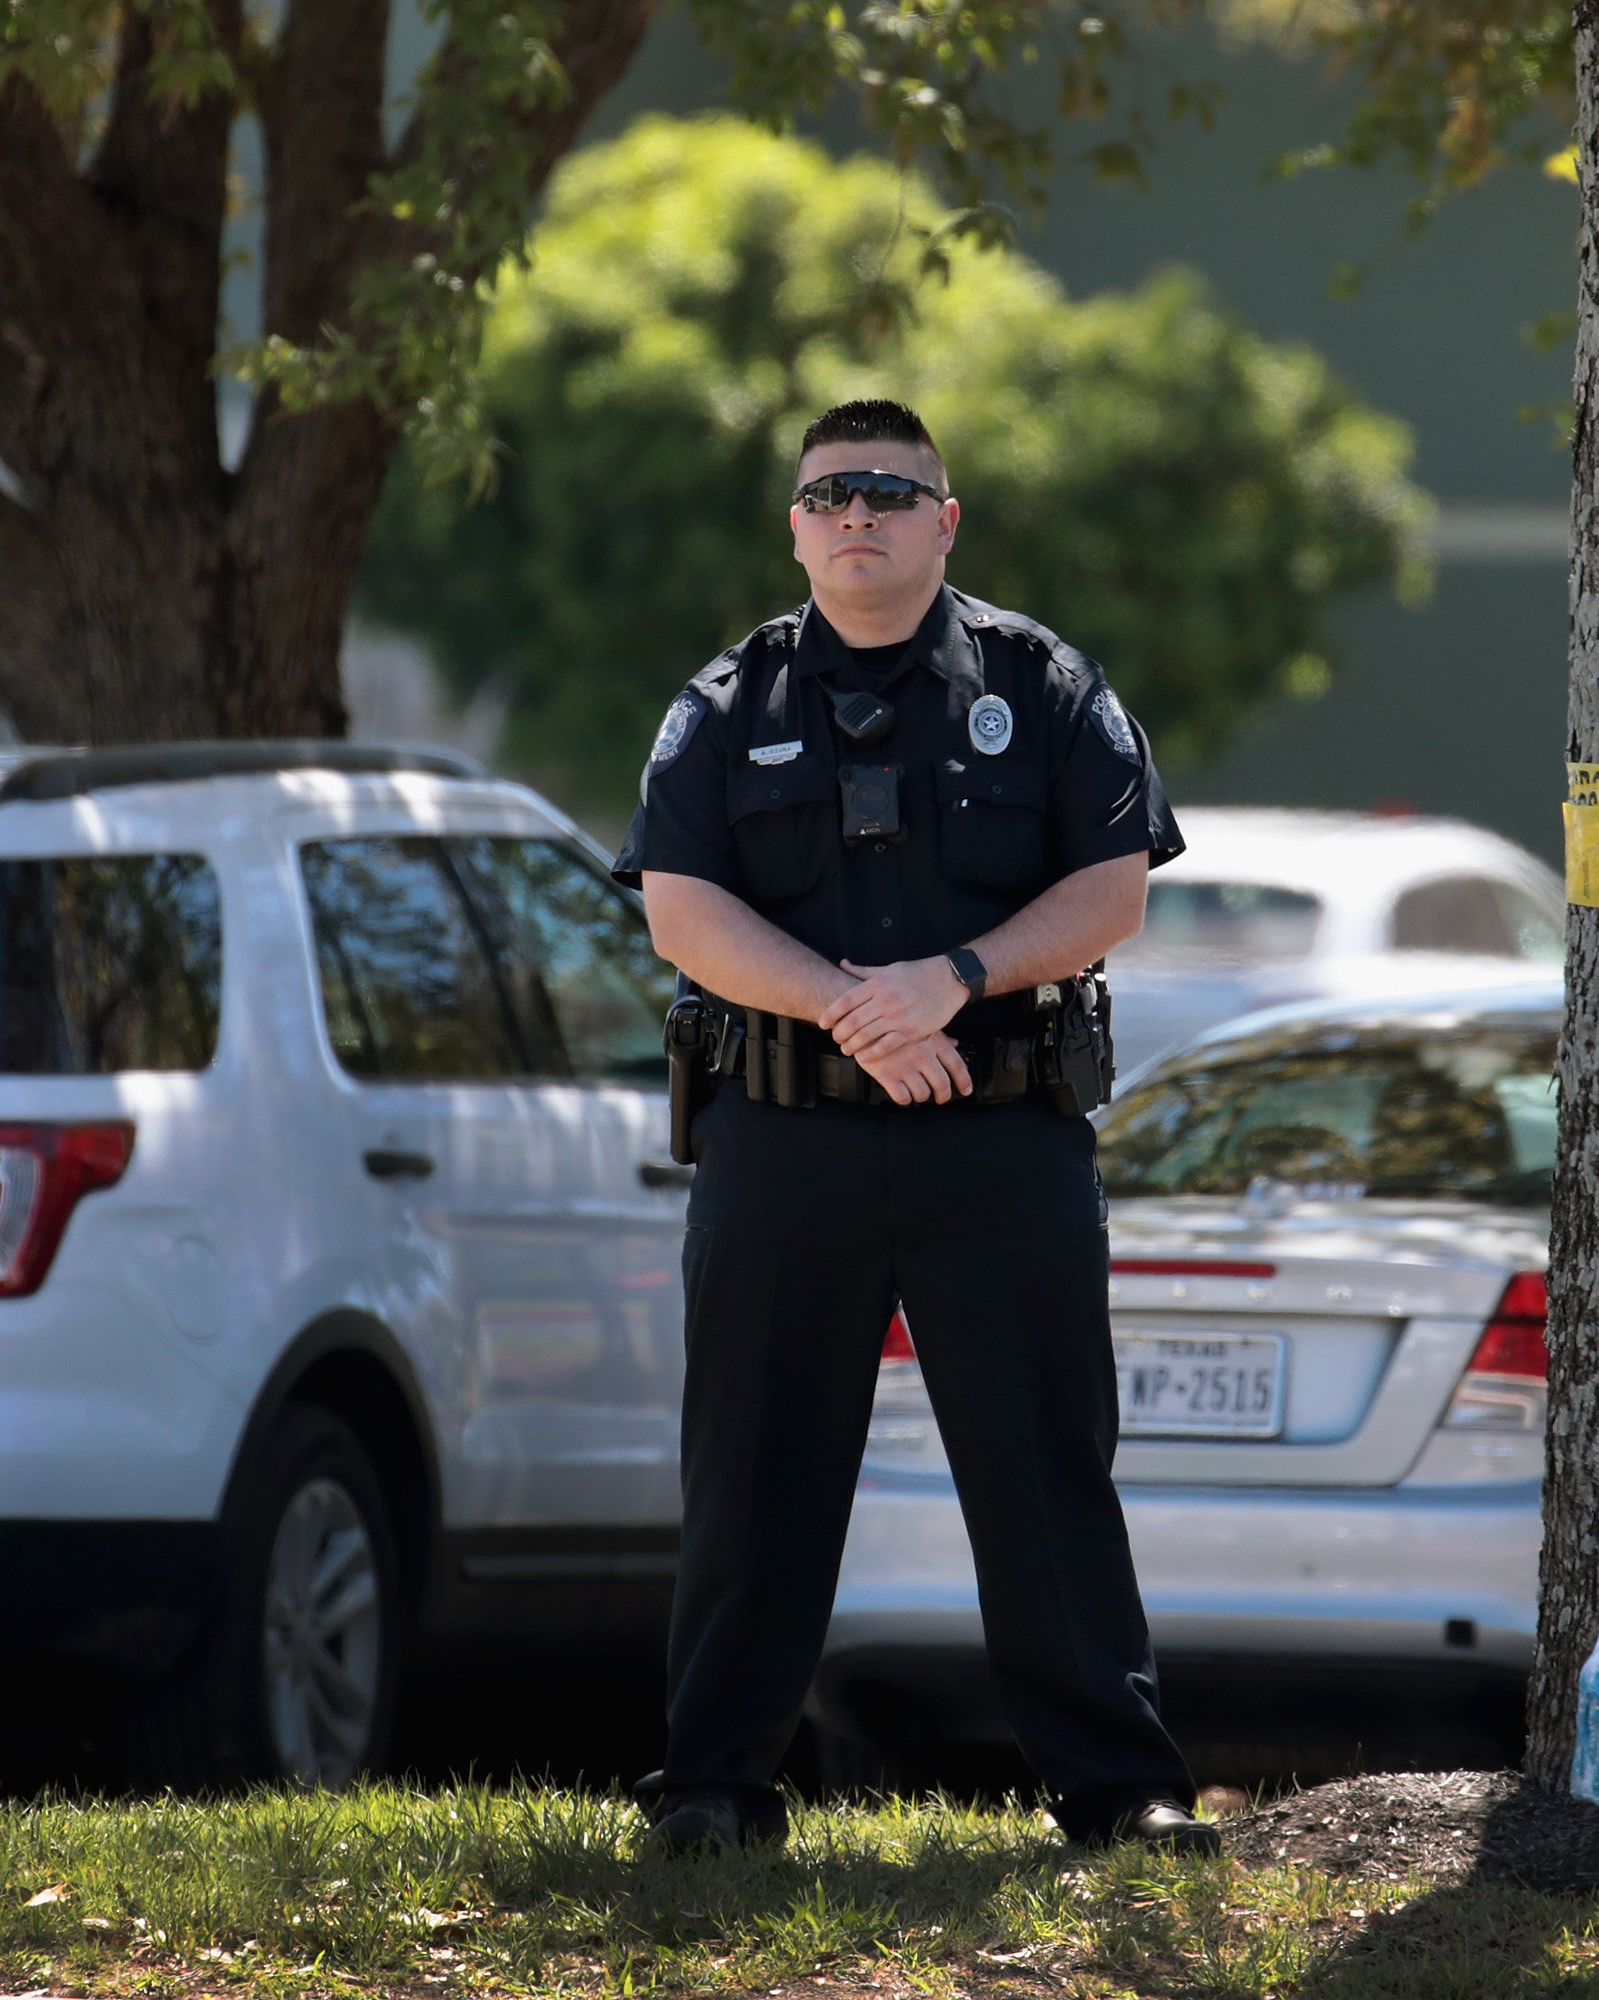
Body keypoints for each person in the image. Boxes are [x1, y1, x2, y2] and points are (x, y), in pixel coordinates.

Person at [614, 397, 1213, 1857]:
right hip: (784, 1138)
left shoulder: (1044, 681)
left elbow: (1113, 885)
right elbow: (679, 910)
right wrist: (849, 1010)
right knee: (753, 1466)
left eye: (890, 489)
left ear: (946, 520)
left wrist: (947, 982)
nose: (858, 514)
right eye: (830, 495)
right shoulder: (725, 701)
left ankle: (1116, 1789)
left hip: (998, 1133)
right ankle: (713, 1789)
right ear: (798, 528)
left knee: (1043, 1468)